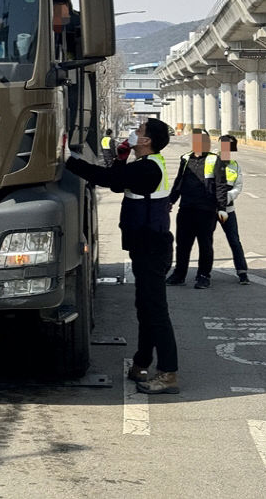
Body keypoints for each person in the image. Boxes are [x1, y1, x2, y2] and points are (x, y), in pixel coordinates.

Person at [65, 117, 179, 395]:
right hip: (146, 247)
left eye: (138, 131)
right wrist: (121, 157)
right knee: (145, 308)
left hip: (152, 248)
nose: (133, 132)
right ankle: (142, 362)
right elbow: (118, 184)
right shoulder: (144, 166)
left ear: (147, 141)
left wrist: (68, 159)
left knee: (156, 312)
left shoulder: (149, 169)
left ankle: (168, 373)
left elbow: (108, 180)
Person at [166, 129, 229, 289]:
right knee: (182, 244)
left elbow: (221, 186)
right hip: (186, 208)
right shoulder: (185, 158)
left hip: (206, 210)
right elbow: (179, 182)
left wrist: (221, 208)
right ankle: (179, 274)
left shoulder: (216, 160)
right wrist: (171, 200)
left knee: (205, 244)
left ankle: (203, 276)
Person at [217, 135, 249, 284]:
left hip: (228, 210)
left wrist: (227, 197)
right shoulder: (211, 162)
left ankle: (242, 272)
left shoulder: (235, 165)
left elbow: (238, 187)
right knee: (205, 241)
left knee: (234, 241)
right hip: (211, 209)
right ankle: (203, 275)